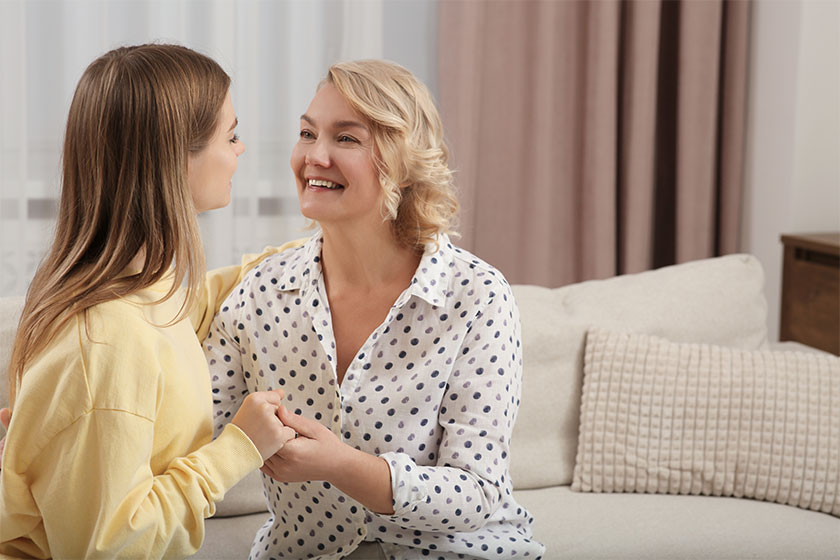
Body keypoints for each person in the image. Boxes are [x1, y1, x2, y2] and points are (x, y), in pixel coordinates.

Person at [204, 59, 545, 560]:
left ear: (405, 162)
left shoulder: (476, 295)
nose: (315, 156)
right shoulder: (262, 293)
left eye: (347, 139)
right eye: (307, 133)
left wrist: (339, 464)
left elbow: (478, 492)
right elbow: (189, 432)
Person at [0, 44, 297, 558]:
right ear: (175, 158)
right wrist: (237, 450)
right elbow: (110, 548)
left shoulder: (138, 294)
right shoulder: (107, 342)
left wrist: (315, 250)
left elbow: (185, 311)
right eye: (231, 136)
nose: (241, 150)